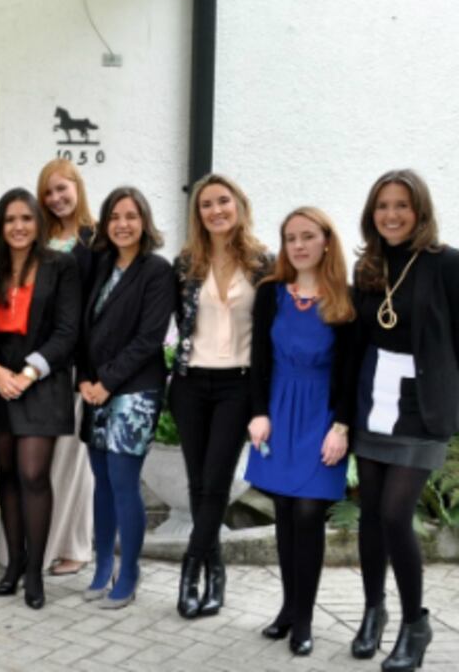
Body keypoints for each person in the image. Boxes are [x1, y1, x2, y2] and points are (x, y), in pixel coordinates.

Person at [347, 170, 459, 670]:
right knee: (370, 514)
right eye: (383, 206)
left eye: (402, 206)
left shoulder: (446, 264)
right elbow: (355, 341)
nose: (391, 215)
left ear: (420, 211)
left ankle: (416, 622)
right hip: (372, 400)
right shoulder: (368, 267)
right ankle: (374, 610)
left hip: (421, 405)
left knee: (395, 514)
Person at [245, 207, 355, 656]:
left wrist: (342, 427)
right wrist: (257, 413)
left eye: (308, 236)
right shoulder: (271, 293)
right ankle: (288, 609)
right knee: (286, 513)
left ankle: (305, 619)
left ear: (326, 241)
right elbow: (259, 359)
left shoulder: (345, 298)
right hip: (277, 411)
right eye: (291, 238)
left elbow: (351, 371)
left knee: (309, 514)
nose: (299, 245)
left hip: (322, 417)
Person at [170, 173, 271, 619]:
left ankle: (191, 570)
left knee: (216, 480)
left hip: (238, 383)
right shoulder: (186, 262)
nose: (216, 210)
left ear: (239, 205)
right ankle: (216, 569)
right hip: (192, 382)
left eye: (223, 201)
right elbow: (180, 321)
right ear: (198, 214)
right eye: (207, 204)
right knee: (197, 482)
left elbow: (271, 333)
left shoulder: (263, 263)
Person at [77, 186, 175, 610]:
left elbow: (149, 338)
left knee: (123, 480)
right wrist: (84, 378)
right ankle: (102, 565)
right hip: (94, 388)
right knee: (101, 481)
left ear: (144, 222)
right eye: (115, 216)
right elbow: (81, 327)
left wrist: (107, 382)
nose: (122, 224)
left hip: (133, 391)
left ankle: (130, 570)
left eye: (131, 216)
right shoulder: (99, 266)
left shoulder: (157, 271)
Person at [0, 188, 80, 608]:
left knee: (33, 474)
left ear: (38, 224)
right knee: (6, 475)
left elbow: (67, 331)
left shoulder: (62, 266)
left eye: (26, 218)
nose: (18, 227)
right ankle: (14, 564)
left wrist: (26, 373)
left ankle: (36, 571)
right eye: (10, 220)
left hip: (42, 381)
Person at [35, 158, 96, 577]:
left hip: (78, 366)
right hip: (39, 365)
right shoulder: (38, 238)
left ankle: (74, 546)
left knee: (75, 462)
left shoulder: (95, 240)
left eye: (63, 189)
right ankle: (36, 543)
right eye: (49, 192)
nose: (57, 198)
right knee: (42, 461)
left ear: (77, 186)